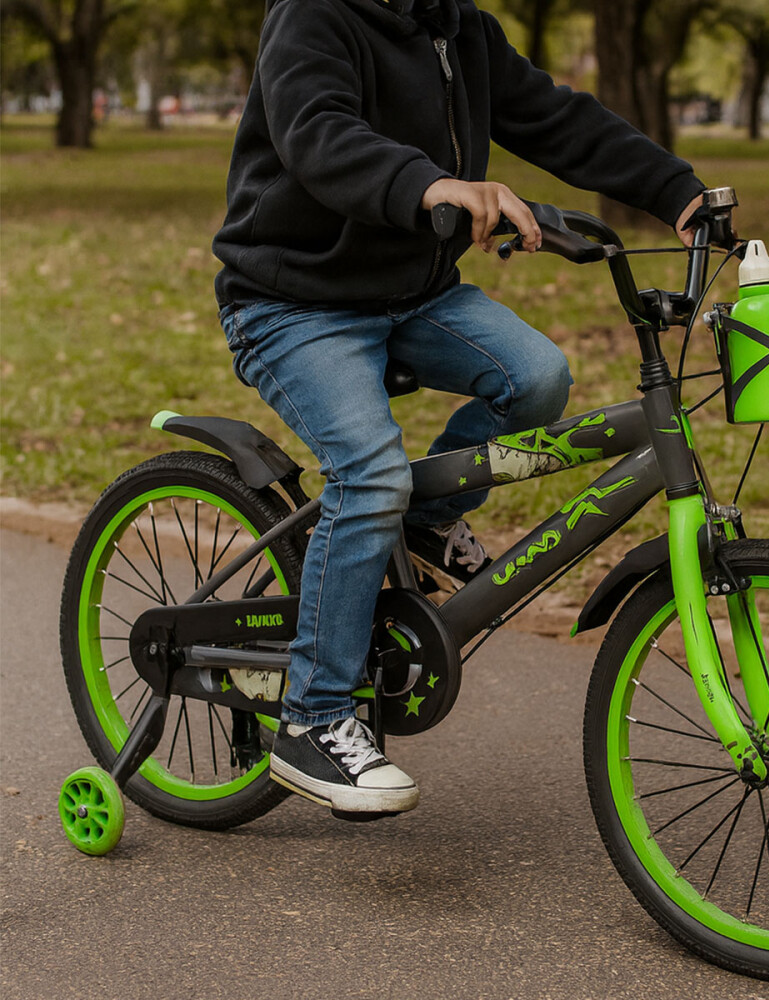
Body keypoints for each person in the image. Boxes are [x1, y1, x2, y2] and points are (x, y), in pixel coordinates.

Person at [213, 0, 706, 816]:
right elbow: (318, 134)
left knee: (538, 378)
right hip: (291, 300)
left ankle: (426, 518)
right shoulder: (312, 15)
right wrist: (431, 183)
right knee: (369, 472)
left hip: (413, 293)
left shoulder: (458, 28)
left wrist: (677, 193)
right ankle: (312, 716)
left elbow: (556, 119)